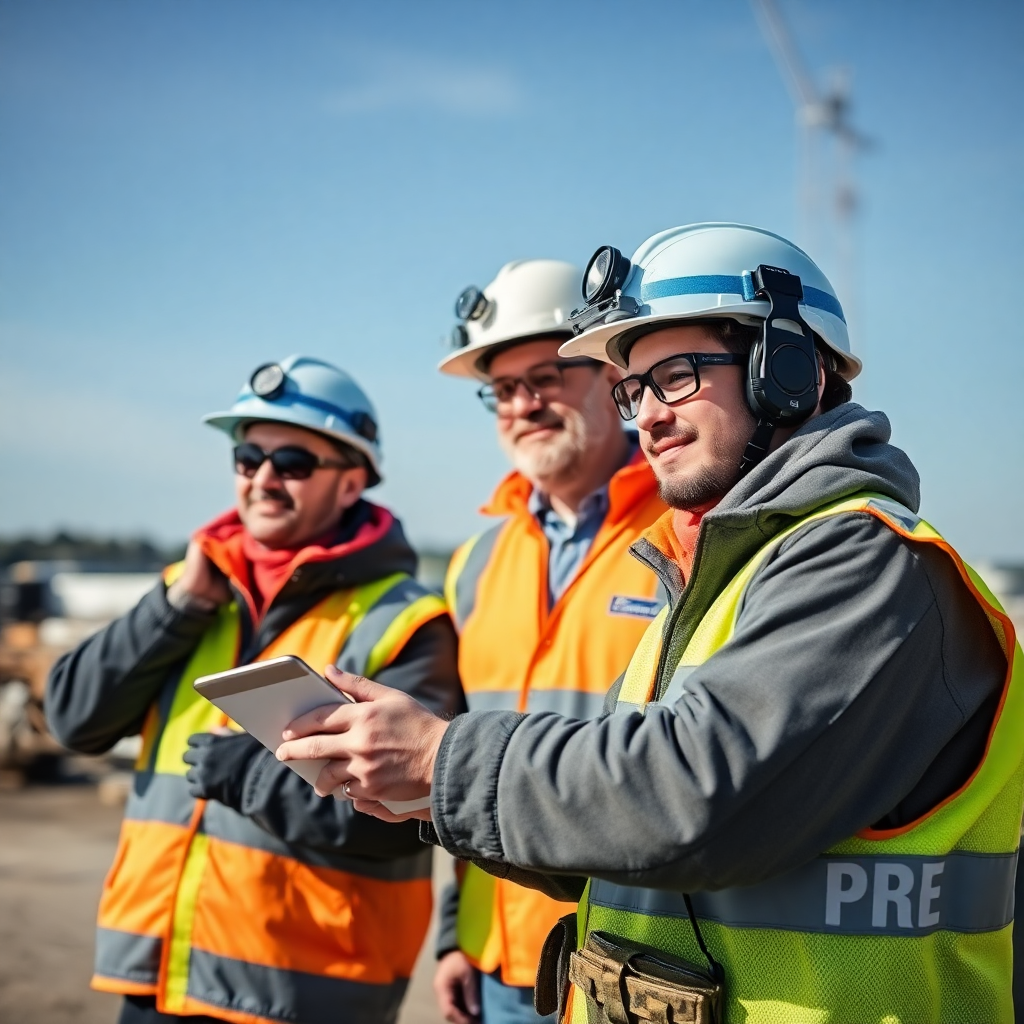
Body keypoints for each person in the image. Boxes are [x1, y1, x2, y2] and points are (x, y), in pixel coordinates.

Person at [276, 225, 1023, 1024]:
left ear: (788, 371)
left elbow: (694, 799)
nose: (649, 418)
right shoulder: (709, 568)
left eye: (675, 377)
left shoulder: (867, 559)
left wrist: (442, 760)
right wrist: (431, 796)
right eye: (634, 390)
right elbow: (623, 838)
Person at [46, 355, 463, 1024]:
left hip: (305, 992)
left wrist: (253, 777)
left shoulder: (406, 621)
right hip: (158, 979)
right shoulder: (187, 593)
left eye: (292, 462)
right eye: (248, 458)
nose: (263, 479)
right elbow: (73, 720)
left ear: (351, 482)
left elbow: (412, 813)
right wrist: (177, 609)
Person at [433, 259, 667, 1023]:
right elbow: (461, 757)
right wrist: (453, 934)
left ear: (612, 375)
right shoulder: (475, 564)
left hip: (633, 962)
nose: (523, 405)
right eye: (503, 390)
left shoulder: (686, 530)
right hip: (499, 960)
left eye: (545, 378)